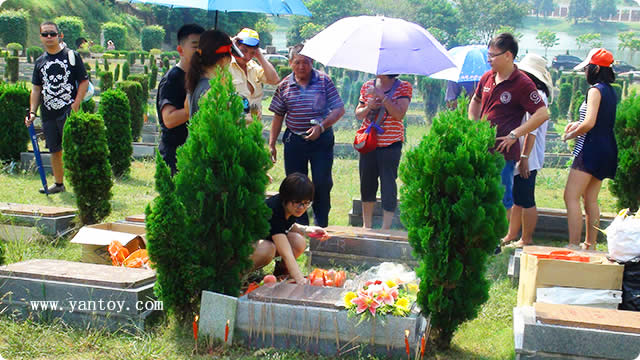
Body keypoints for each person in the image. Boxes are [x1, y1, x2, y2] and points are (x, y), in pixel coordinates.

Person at [468, 33, 549, 215]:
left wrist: (516, 134)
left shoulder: (523, 83)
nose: (489, 60)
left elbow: (542, 113)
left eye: (493, 56)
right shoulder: (487, 77)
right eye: (488, 55)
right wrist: (473, 125)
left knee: (500, 199)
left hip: (503, 153)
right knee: (481, 195)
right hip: (481, 147)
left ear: (508, 55)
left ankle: (497, 239)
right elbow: (475, 100)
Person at [268, 44, 345, 228]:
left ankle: (321, 225)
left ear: (312, 63)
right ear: (290, 63)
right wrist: (272, 143)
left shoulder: (324, 81)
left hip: (321, 140)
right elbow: (278, 115)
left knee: (321, 182)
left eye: (306, 62)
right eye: (298, 62)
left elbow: (339, 109)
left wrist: (322, 125)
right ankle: (299, 226)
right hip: (294, 139)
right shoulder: (285, 85)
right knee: (295, 184)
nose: (302, 67)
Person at [563, 48, 618, 250]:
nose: (585, 72)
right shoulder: (611, 91)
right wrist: (576, 125)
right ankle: (591, 244)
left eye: (587, 68)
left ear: (594, 69)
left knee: (570, 196)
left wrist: (570, 134)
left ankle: (573, 244)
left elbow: (589, 123)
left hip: (590, 149)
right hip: (607, 148)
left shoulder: (595, 90)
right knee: (590, 199)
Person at [25, 21, 89, 194]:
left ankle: (81, 183)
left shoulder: (71, 56)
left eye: (52, 34)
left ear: (59, 35)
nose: (49, 37)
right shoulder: (40, 62)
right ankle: (59, 183)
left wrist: (76, 104)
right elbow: (36, 88)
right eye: (45, 34)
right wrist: (32, 112)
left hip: (68, 110)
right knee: (54, 149)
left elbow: (84, 81)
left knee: (74, 148)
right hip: (48, 113)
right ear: (40, 37)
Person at [502, 53, 552, 248]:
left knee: (526, 197)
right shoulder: (526, 95)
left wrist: (524, 158)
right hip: (520, 152)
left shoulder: (538, 97)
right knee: (517, 198)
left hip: (528, 154)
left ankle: (527, 238)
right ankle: (511, 234)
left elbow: (532, 131)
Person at [355, 74, 412, 229]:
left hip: (390, 144)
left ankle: (386, 227)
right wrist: (369, 107)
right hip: (369, 142)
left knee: (388, 184)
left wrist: (382, 97)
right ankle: (367, 226)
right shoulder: (368, 85)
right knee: (367, 182)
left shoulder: (403, 86)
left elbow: (399, 114)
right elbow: (358, 113)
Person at [250, 173, 328, 284]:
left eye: (306, 203)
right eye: (297, 203)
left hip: (262, 241)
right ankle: (238, 276)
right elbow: (286, 253)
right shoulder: (274, 210)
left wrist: (307, 229)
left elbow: (286, 226)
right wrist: (301, 280)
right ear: (286, 197)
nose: (301, 208)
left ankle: (281, 274)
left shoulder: (288, 208)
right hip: (246, 249)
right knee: (268, 248)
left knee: (298, 241)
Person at [156, 24, 204, 175]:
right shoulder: (172, 79)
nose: (200, 51)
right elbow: (169, 120)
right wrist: (192, 108)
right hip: (175, 154)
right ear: (180, 50)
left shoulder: (200, 77)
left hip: (194, 152)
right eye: (195, 46)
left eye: (202, 46)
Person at [229, 28, 280, 122]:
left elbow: (274, 80)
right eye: (243, 50)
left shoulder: (253, 66)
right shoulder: (226, 67)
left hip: (254, 128)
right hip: (233, 128)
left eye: (252, 52)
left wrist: (260, 56)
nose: (247, 56)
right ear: (235, 47)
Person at [185, 29, 232, 118]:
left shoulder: (195, 82)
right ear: (224, 59)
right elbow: (220, 122)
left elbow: (187, 110)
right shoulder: (213, 89)